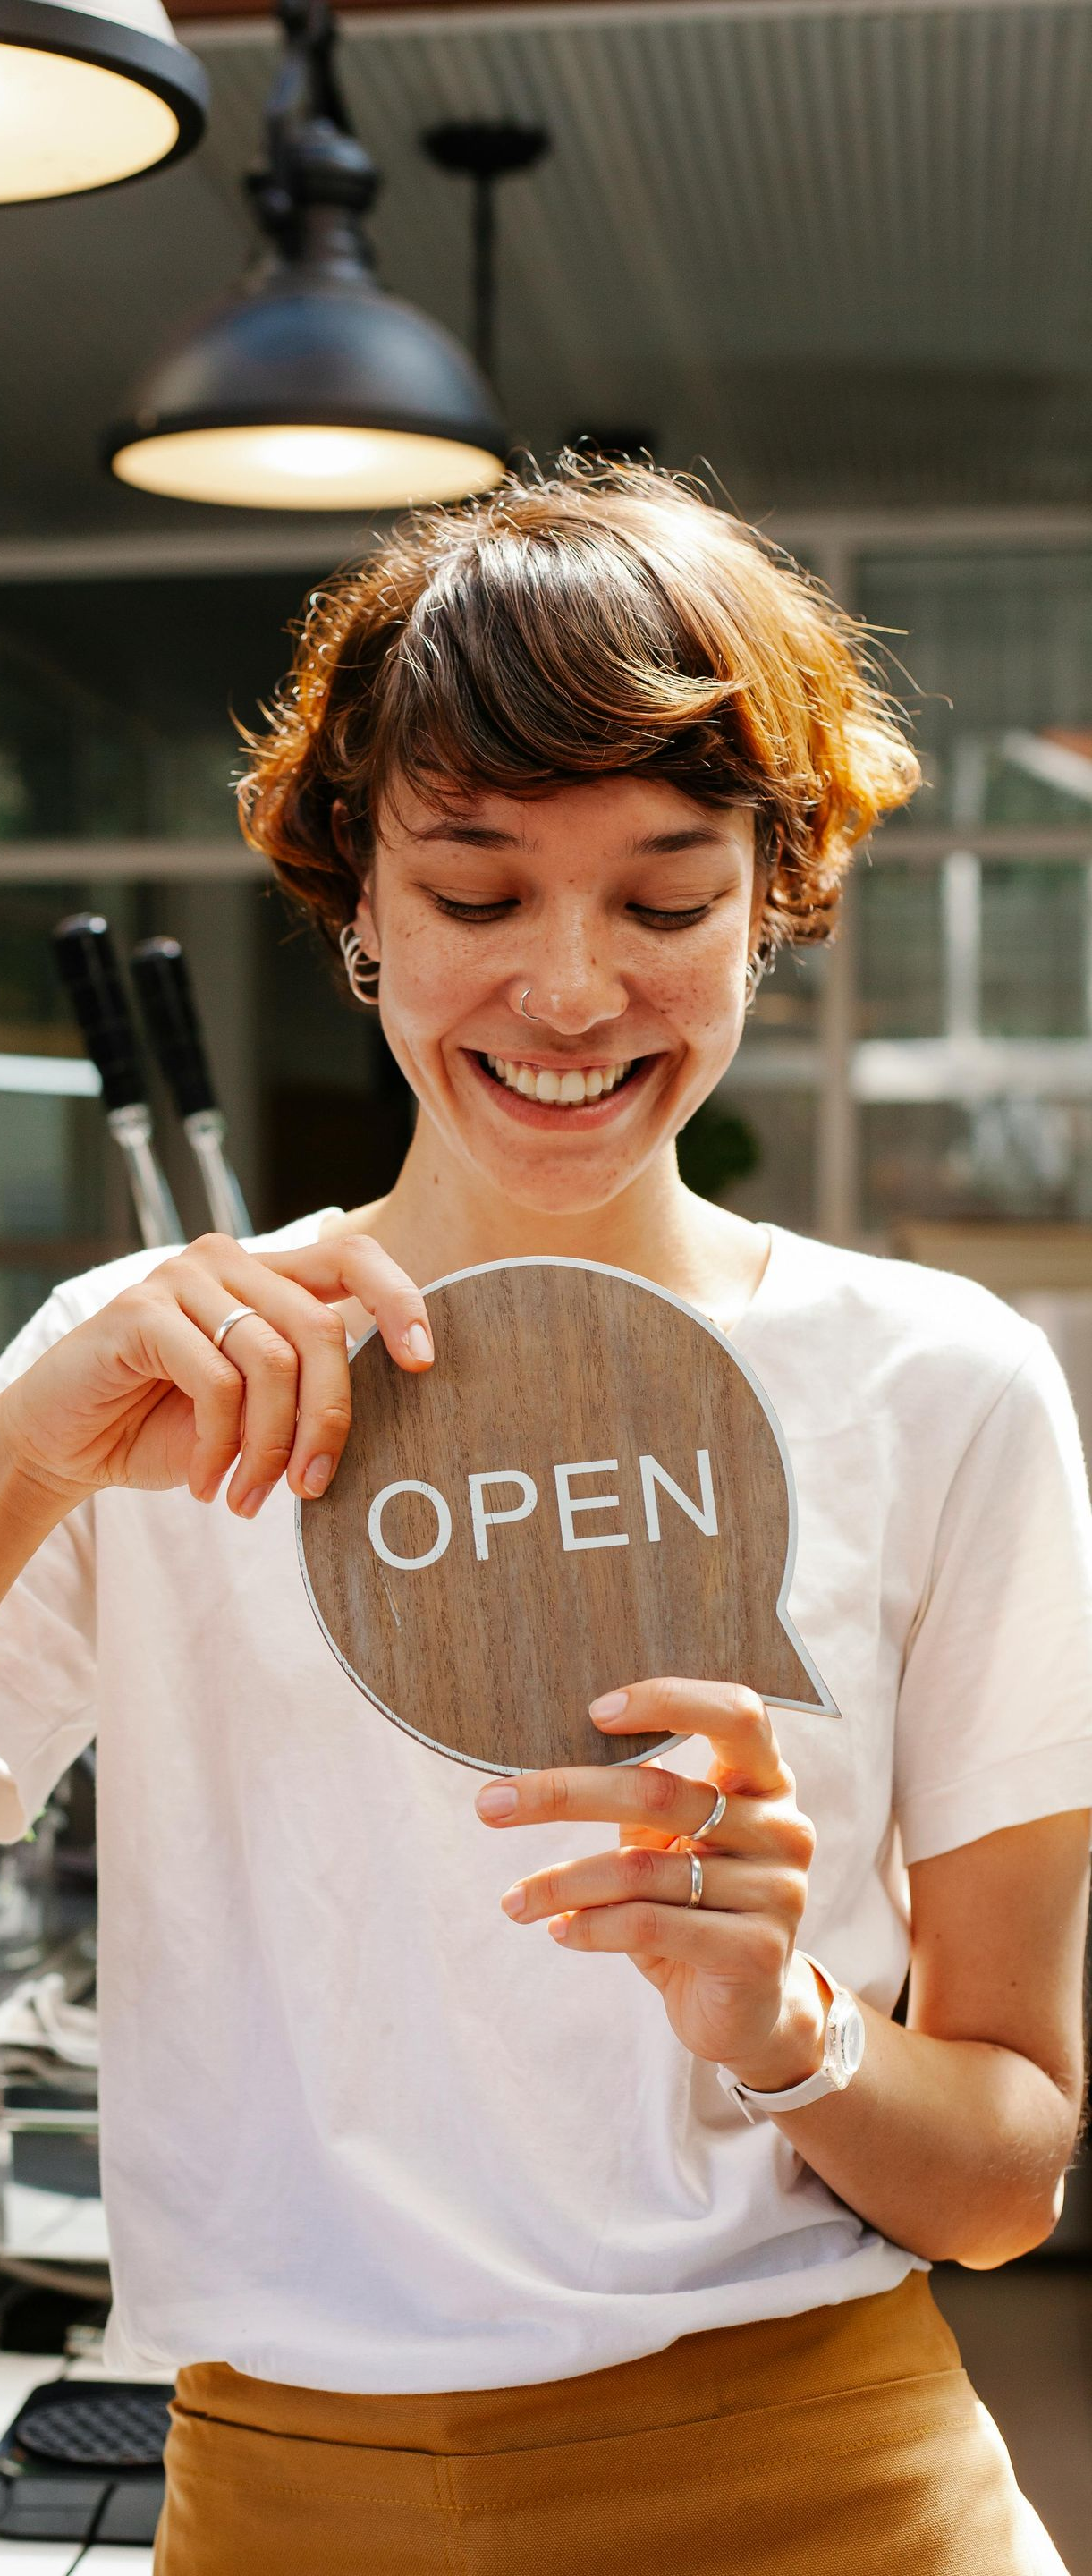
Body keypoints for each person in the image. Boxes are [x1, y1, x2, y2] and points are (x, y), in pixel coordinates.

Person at [0, 455, 1089, 2576]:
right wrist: (32, 1451)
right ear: (358, 906)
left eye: (665, 899)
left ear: (773, 897)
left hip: (830, 2490)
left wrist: (785, 2029)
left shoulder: (937, 1383)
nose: (574, 990)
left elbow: (1004, 2176)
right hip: (284, 2504)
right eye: (479, 896)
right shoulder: (154, 1378)